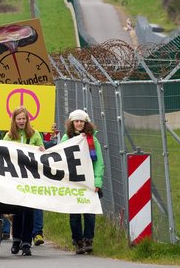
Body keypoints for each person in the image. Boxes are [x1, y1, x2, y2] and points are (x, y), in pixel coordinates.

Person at [60, 109, 104, 254]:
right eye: (76, 121)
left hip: (89, 182)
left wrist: (97, 182)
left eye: (81, 121)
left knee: (89, 213)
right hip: (73, 181)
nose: (79, 124)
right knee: (74, 214)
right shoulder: (67, 139)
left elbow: (98, 163)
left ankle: (88, 239)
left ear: (86, 123)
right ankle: (78, 241)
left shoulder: (93, 140)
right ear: (72, 123)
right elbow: (59, 156)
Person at [3, 106, 45, 256]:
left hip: (30, 177)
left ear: (27, 120)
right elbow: (2, 152)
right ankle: (16, 240)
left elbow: (42, 151)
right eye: (18, 118)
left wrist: (41, 150)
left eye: (23, 118)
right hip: (15, 177)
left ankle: (27, 242)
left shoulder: (34, 135)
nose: (21, 121)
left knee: (29, 210)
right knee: (17, 210)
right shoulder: (9, 136)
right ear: (14, 120)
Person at [32, 122, 60, 246]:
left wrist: (46, 145)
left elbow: (44, 147)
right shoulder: (10, 134)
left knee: (37, 203)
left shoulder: (36, 134)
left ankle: (37, 233)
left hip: (35, 174)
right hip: (17, 175)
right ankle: (21, 235)